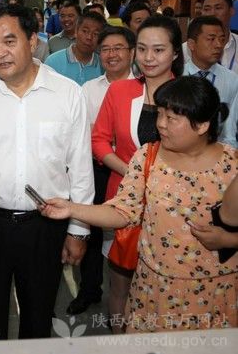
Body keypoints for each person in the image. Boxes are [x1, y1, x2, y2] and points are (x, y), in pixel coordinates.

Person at [42, 76, 238, 333]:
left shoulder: (232, 166)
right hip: (155, 289)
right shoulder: (148, 156)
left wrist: (227, 240)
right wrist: (71, 209)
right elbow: (123, 211)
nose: (160, 124)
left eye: (171, 118)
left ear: (202, 125)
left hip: (215, 292)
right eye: (160, 114)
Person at [0, 3, 94, 340]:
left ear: (32, 41)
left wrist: (78, 231)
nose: (0, 53)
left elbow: (80, 169)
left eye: (9, 41)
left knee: (38, 318)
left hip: (45, 225)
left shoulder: (67, 94)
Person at [91, 14, 184, 333]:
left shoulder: (189, 94)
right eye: (142, 49)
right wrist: (133, 171)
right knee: (119, 284)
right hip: (124, 201)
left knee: (166, 288)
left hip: (174, 205)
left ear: (175, 52)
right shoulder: (119, 91)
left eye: (158, 50)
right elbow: (99, 140)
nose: (148, 57)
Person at [68, 27, 136, 315]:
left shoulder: (143, 88)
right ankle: (89, 289)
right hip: (95, 170)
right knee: (93, 232)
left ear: (132, 52)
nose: (111, 54)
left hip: (130, 173)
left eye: (118, 48)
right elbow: (82, 134)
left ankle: (126, 301)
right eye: (106, 49)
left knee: (128, 233)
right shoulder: (88, 89)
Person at [184, 16, 238, 107]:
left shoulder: (232, 80)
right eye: (211, 39)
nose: (219, 45)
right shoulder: (176, 76)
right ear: (191, 44)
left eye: (222, 39)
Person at [45, 11, 106, 86]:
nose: (89, 37)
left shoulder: (103, 66)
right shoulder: (52, 62)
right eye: (85, 31)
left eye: (95, 34)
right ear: (76, 32)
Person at [184, 0, 238, 74]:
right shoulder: (187, 48)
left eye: (218, 8)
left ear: (231, 11)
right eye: (207, 9)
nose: (212, 13)